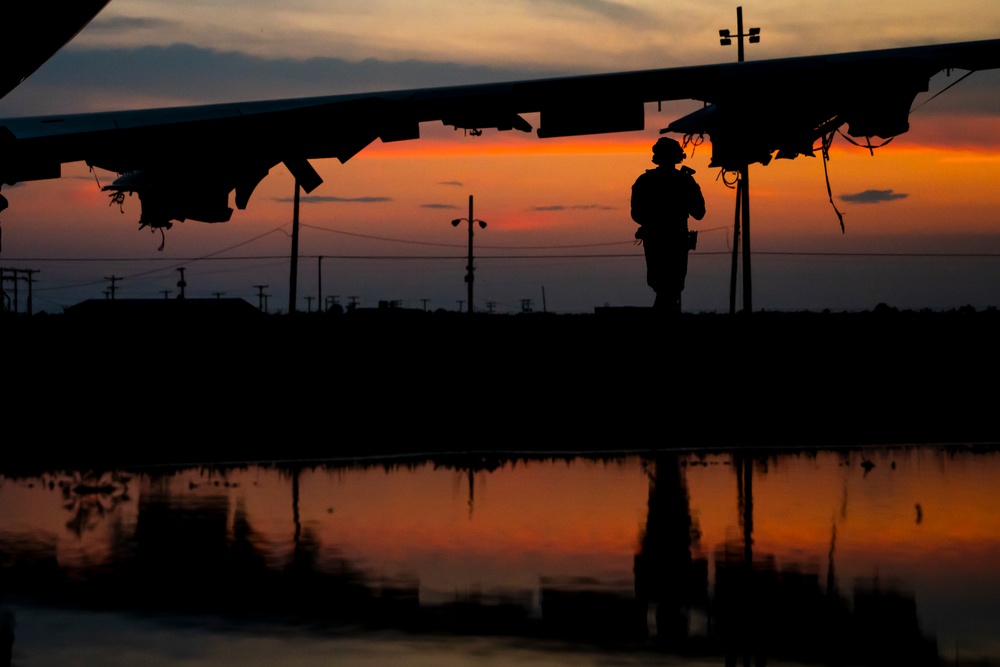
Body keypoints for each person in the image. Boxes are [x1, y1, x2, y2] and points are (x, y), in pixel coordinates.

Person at [631, 137, 706, 313]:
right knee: (670, 289)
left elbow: (637, 214)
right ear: (678, 157)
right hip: (674, 241)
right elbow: (699, 213)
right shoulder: (684, 181)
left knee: (664, 288)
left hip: (657, 240)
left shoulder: (645, 181)